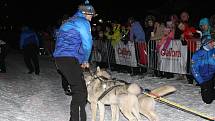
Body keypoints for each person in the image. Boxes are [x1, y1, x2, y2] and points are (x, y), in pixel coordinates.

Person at [53, 0, 95, 120]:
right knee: (80, 93)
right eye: (91, 15)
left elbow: (76, 45)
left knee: (82, 91)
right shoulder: (82, 22)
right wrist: (85, 59)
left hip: (62, 59)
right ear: (85, 12)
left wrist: (81, 60)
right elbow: (87, 44)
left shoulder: (69, 22)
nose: (91, 18)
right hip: (68, 59)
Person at [191, 36, 215, 104]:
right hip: (205, 79)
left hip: (213, 76)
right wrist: (201, 82)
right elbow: (194, 69)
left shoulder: (213, 51)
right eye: (211, 42)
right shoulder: (197, 55)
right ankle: (209, 91)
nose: (213, 43)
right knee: (207, 100)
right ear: (206, 43)